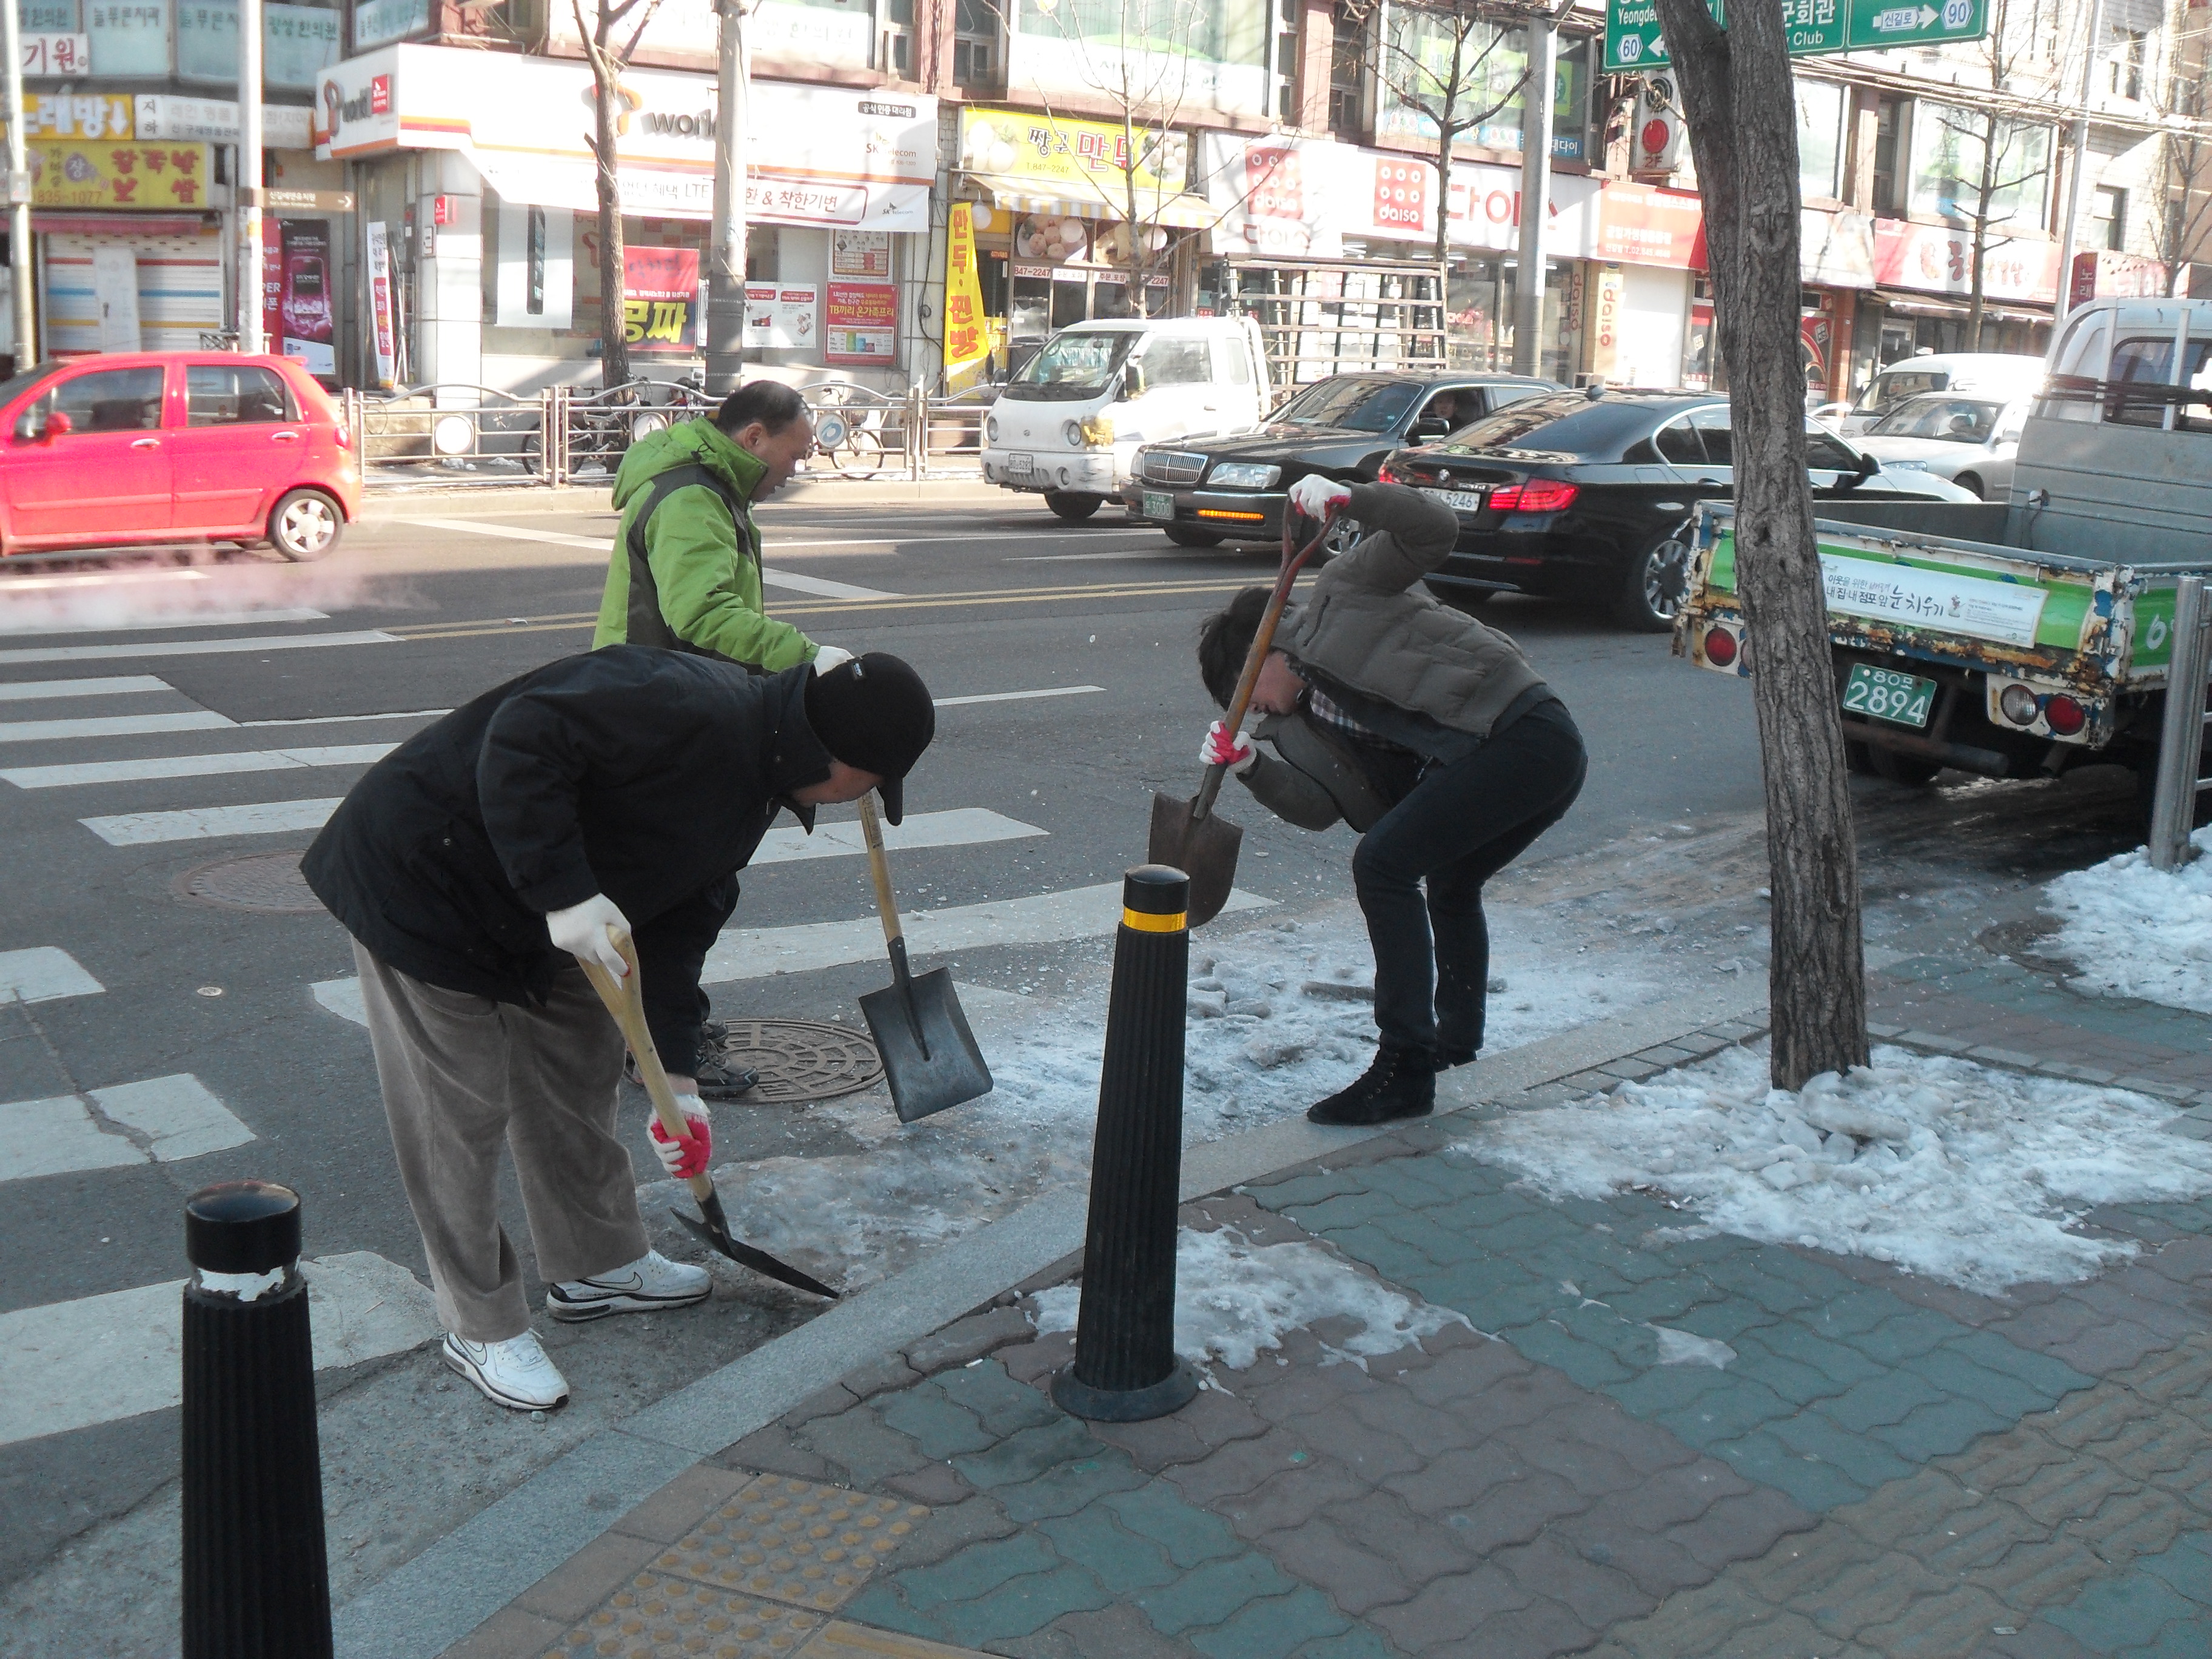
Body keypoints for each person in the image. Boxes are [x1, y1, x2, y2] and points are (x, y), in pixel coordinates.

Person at [303, 648, 936, 1412]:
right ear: (838, 758)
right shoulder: (686, 704)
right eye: (870, 784)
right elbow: (524, 735)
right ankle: (480, 1325)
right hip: (428, 880)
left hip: (545, 910)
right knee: (457, 1116)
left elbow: (679, 928)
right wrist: (564, 892)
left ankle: (595, 1265)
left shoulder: (759, 776)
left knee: (578, 1068)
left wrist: (678, 1083)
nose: (860, 799)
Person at [1195, 475, 1586, 1127]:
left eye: (1242, 691)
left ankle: (1404, 1065)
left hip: (1528, 735)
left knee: (1383, 867)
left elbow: (1434, 529)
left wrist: (1354, 500)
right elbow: (1322, 809)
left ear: (1266, 648)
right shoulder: (1298, 726)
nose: (1249, 709)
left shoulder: (1348, 591)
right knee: (1450, 882)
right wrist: (1251, 766)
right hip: (1494, 761)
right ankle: (1452, 1047)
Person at [596, 379, 856, 1098]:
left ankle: (657, 1028)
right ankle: (667, 1050)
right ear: (754, 439)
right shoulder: (691, 497)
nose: (796, 469)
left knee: (684, 891)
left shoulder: (711, 488)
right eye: (795, 454)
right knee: (691, 895)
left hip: (670, 703)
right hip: (659, 713)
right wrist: (809, 656)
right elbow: (703, 614)